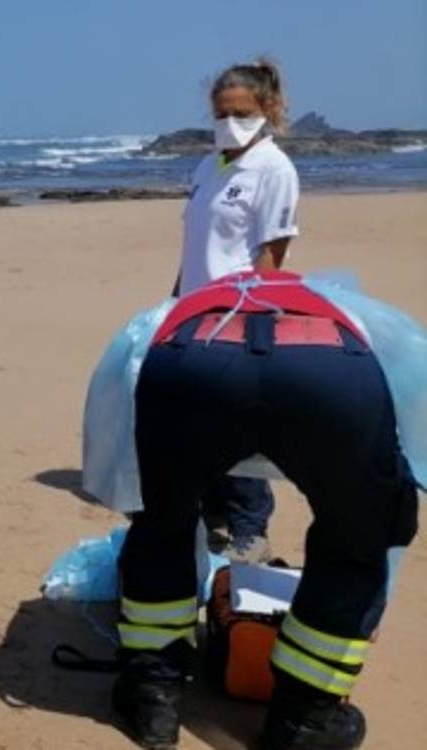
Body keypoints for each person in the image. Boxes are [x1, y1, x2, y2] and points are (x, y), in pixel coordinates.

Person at [95, 270, 421, 750]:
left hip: (189, 367)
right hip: (329, 373)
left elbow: (118, 387)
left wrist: (148, 491)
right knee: (357, 539)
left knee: (162, 526)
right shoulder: (345, 311)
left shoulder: (180, 307)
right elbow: (410, 400)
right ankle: (306, 718)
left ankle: (152, 696)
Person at [177, 59, 301, 564]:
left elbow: (271, 256)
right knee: (197, 426)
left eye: (242, 112)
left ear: (268, 110)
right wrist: (175, 303)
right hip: (193, 311)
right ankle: (215, 518)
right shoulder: (209, 166)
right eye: (222, 112)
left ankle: (252, 530)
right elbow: (196, 245)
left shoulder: (274, 170)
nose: (231, 122)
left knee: (238, 431)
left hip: (238, 316)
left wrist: (248, 321)